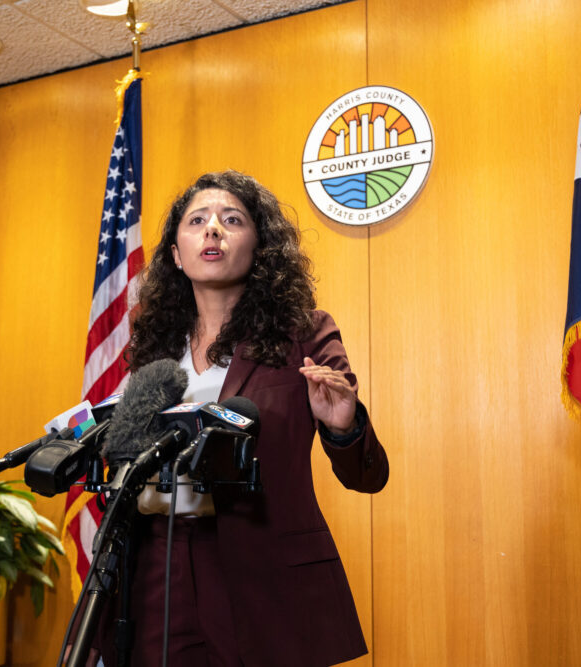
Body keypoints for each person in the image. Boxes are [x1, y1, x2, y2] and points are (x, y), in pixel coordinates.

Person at [93, 170, 389, 667]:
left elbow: (367, 476)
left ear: (260, 247)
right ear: (176, 254)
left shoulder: (304, 333)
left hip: (262, 573)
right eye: (197, 221)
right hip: (156, 568)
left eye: (232, 220)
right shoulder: (153, 346)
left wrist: (344, 427)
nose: (213, 229)